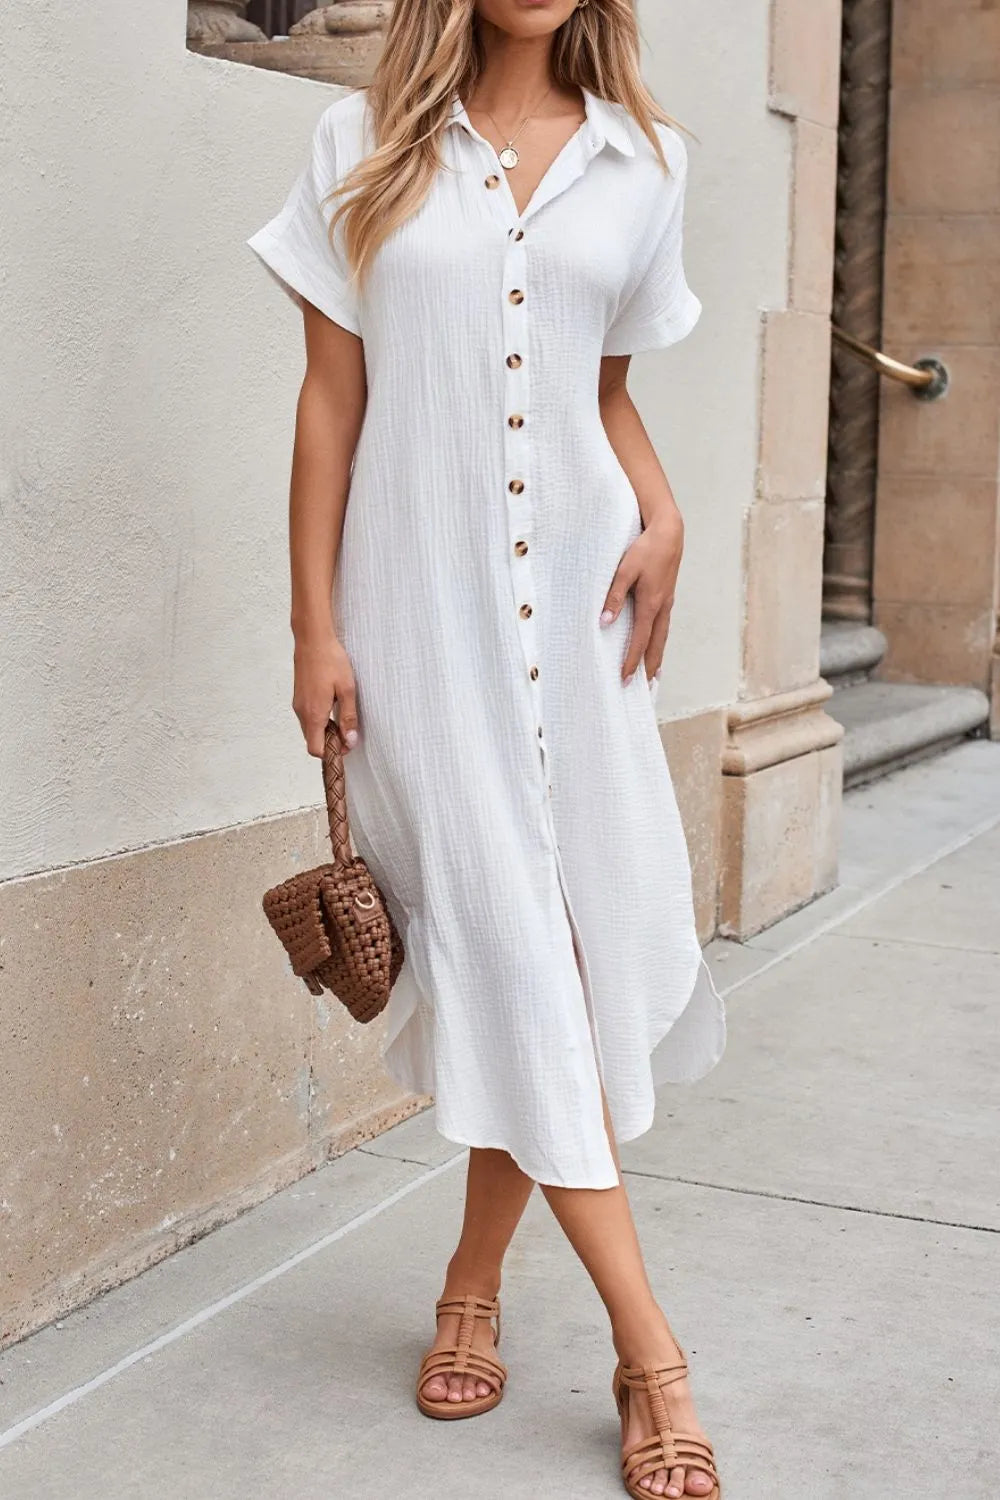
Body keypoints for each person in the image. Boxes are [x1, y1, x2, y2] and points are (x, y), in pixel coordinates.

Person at [248, 1, 726, 1494]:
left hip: (580, 624)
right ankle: (653, 1360)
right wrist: (313, 629)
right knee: (525, 959)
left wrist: (665, 509)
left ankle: (471, 1286)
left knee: (555, 964)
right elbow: (334, 405)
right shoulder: (359, 150)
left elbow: (601, 390)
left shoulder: (650, 162)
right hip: (421, 627)